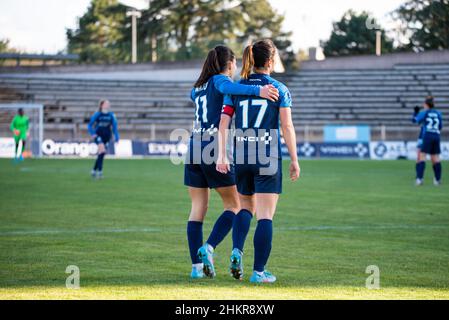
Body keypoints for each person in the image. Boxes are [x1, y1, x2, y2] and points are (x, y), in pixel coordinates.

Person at [186, 45, 280, 279]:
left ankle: (196, 268)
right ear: (228, 64)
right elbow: (231, 87)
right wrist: (258, 92)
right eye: (235, 63)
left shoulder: (196, 88)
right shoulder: (220, 80)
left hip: (193, 145)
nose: (236, 67)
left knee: (197, 210)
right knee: (236, 206)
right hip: (211, 145)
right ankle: (208, 247)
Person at [216, 39, 300, 283]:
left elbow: (225, 122)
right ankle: (259, 272)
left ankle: (236, 250)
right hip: (267, 155)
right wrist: (294, 159)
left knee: (245, 208)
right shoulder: (279, 89)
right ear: (270, 62)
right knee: (265, 216)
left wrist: (222, 154)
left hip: (241, 154)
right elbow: (287, 126)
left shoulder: (236, 88)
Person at [413, 96, 443, 186]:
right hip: (436, 135)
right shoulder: (438, 113)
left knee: (422, 157)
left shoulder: (425, 112)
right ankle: (437, 180)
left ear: (426, 104)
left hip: (428, 135)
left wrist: (415, 113)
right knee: (435, 158)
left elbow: (415, 120)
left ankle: (419, 179)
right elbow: (440, 126)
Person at [87, 100, 119, 179]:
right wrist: (93, 133)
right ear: (101, 105)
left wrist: (116, 137)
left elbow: (114, 126)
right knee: (102, 151)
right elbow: (90, 125)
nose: (108, 105)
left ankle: (94, 170)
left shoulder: (111, 115)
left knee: (102, 154)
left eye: (108, 104)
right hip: (99, 135)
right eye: (106, 104)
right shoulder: (97, 114)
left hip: (107, 136)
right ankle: (100, 172)